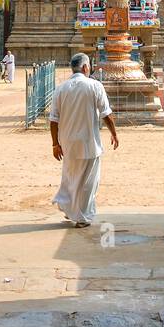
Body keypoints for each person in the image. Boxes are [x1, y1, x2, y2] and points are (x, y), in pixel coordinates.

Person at [49, 52, 118, 228]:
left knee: (71, 177)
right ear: (86, 67)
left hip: (67, 143)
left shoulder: (61, 88)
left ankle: (69, 207)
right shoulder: (94, 86)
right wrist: (114, 133)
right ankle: (82, 217)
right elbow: (106, 114)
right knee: (88, 182)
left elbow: (53, 120)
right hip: (89, 142)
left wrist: (55, 144)